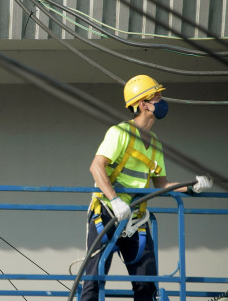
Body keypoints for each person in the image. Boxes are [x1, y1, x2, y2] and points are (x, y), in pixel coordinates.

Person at [80, 75, 212, 301]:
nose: (162, 100)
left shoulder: (156, 144)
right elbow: (96, 167)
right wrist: (114, 200)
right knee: (94, 281)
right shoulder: (119, 133)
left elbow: (162, 185)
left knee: (147, 285)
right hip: (106, 213)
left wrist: (193, 186)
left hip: (135, 221)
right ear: (143, 104)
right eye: (157, 96)